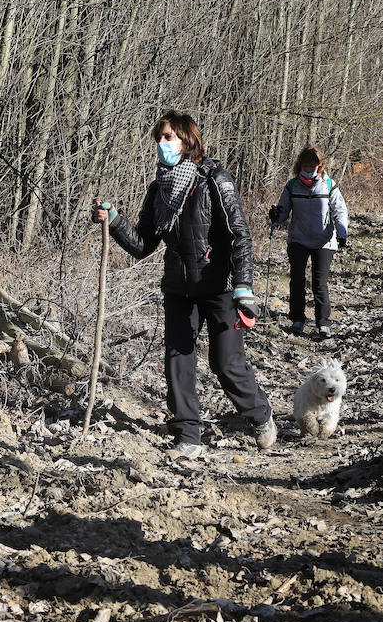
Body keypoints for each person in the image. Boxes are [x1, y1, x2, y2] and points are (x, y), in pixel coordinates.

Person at [92, 111, 275, 458]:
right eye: (159, 139)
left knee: (227, 363)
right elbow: (143, 244)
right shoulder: (159, 189)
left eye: (168, 138)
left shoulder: (214, 180)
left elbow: (240, 234)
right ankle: (188, 435)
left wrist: (244, 286)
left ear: (188, 141)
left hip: (220, 286)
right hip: (179, 289)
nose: (161, 145)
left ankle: (260, 415)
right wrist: (114, 220)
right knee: (178, 360)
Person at [267, 147, 349, 338]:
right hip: (298, 238)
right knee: (297, 279)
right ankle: (297, 319)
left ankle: (323, 323)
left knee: (319, 283)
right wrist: (276, 215)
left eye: (312, 165)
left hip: (324, 240)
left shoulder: (329, 185)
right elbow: (283, 212)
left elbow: (340, 210)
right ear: (299, 165)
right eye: (305, 165)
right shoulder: (292, 185)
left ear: (319, 166)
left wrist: (342, 233)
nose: (308, 168)